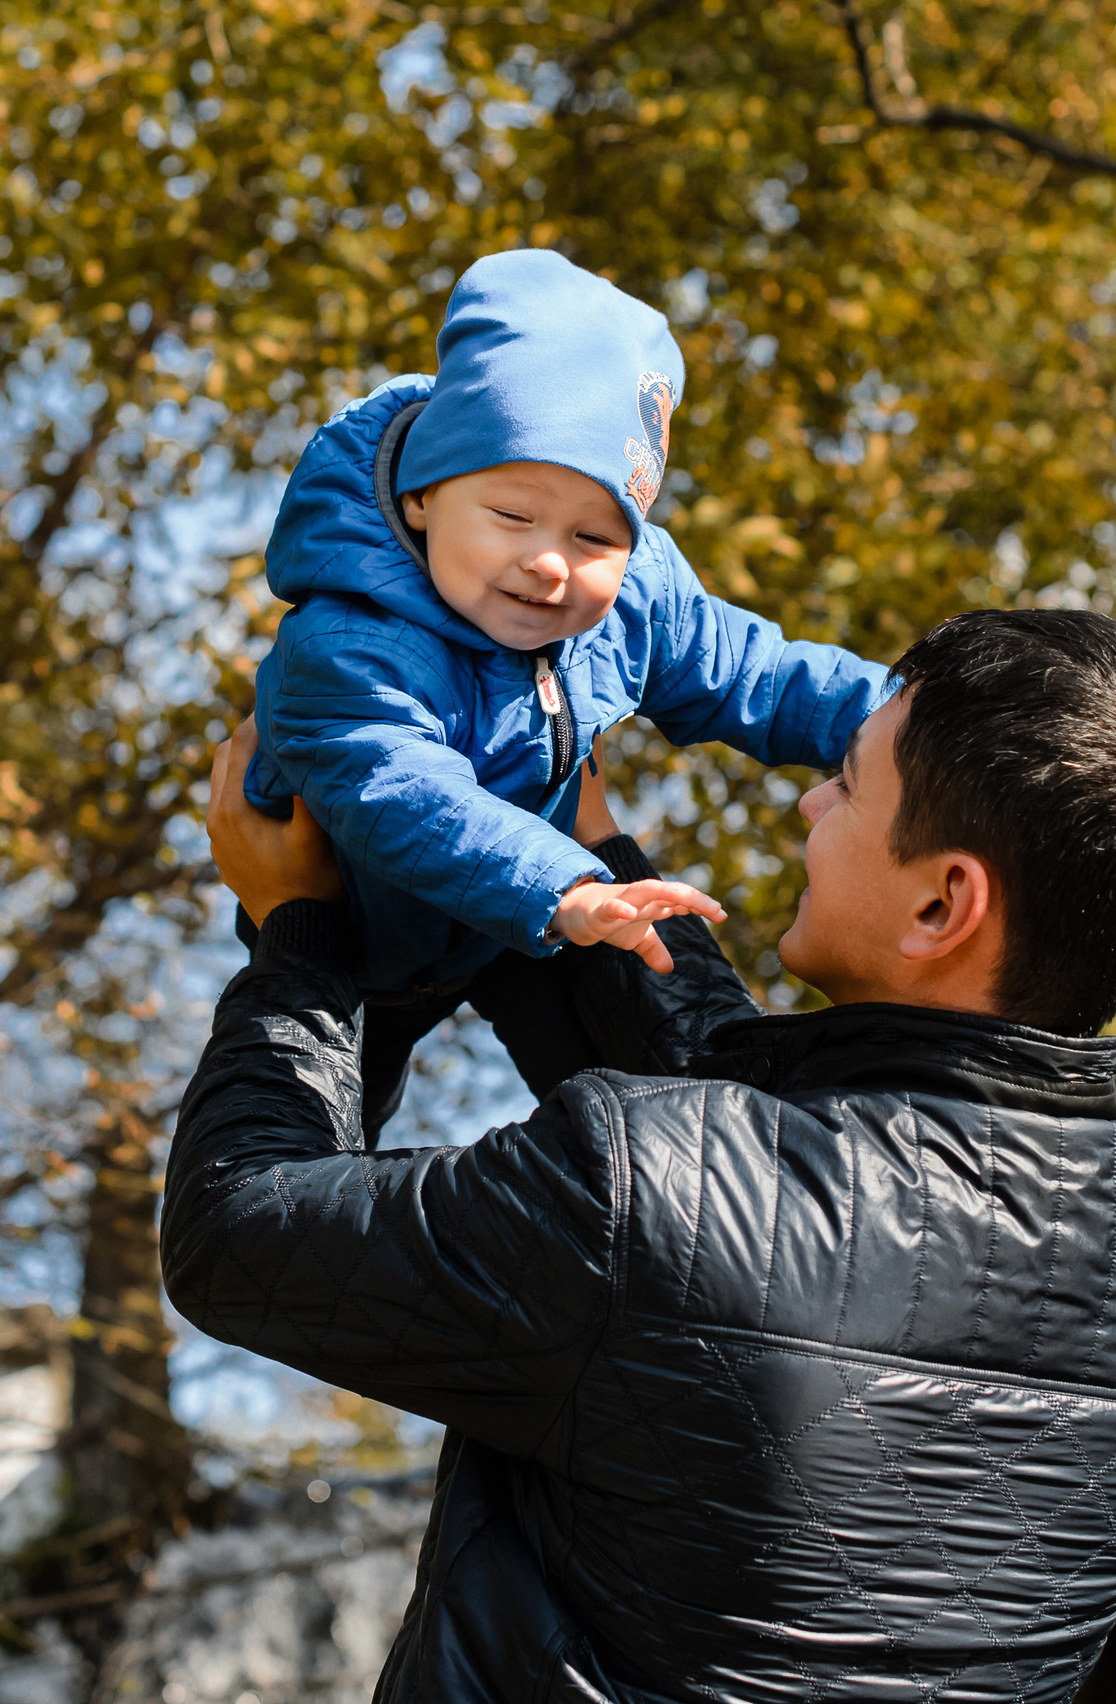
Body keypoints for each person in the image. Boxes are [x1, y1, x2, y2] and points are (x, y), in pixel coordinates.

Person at [166, 607, 1116, 1702]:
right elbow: (782, 1192)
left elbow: (234, 1224)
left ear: (941, 902)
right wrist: (587, 870)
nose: (808, 799)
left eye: (851, 785)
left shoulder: (643, 1194)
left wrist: (297, 939)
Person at [240, 247, 895, 1138]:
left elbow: (754, 672)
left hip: (527, 929)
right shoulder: (351, 641)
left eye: (594, 535)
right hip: (366, 953)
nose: (550, 563)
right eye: (512, 516)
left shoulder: (630, 599)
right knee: (326, 1144)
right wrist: (561, 888)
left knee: (637, 1122)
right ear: (427, 493)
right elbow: (405, 797)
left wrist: (908, 715)